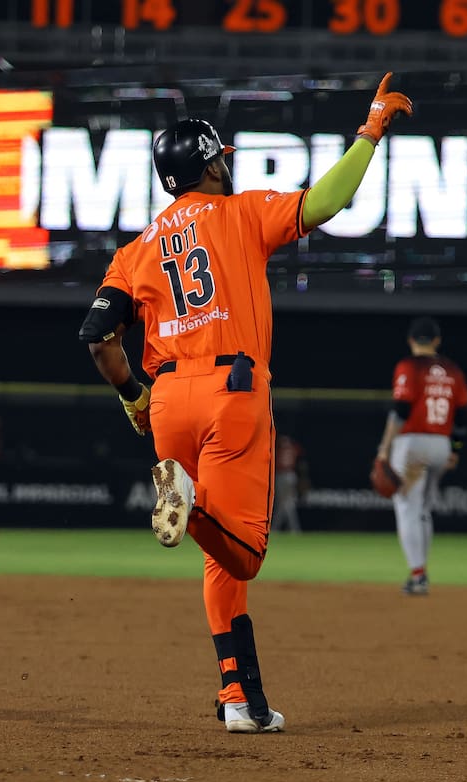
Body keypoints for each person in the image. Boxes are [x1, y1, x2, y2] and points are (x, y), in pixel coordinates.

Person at [79, 74, 413, 734]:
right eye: (221, 158)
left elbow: (96, 338)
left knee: (217, 559)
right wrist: (370, 130)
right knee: (246, 553)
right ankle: (189, 504)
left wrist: (132, 397)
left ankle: (242, 701)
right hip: (232, 392)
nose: (227, 165)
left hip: (168, 399)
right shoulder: (241, 214)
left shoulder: (135, 251)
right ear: (207, 165)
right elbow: (328, 201)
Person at [373, 316, 467, 596]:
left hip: (413, 443)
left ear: (411, 341)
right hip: (441, 444)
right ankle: (421, 571)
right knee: (424, 509)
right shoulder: (453, 371)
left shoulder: (408, 366)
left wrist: (384, 447)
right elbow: (463, 417)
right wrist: (456, 449)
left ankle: (418, 575)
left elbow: (401, 410)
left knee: (407, 507)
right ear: (437, 341)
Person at [270, 434, 306, 534]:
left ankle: (277, 529)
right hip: (290, 475)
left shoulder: (279, 449)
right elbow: (301, 452)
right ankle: (293, 529)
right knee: (287, 503)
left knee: (284, 504)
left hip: (283, 475)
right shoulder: (293, 448)